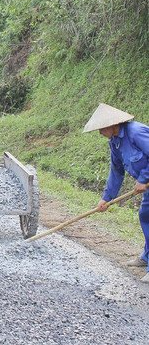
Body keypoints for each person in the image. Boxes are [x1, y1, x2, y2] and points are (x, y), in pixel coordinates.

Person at [84, 103, 149, 283]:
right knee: (145, 216)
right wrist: (106, 198)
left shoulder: (136, 132)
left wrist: (144, 178)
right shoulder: (116, 142)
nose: (99, 133)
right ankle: (146, 257)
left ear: (112, 124)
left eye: (101, 129)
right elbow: (116, 171)